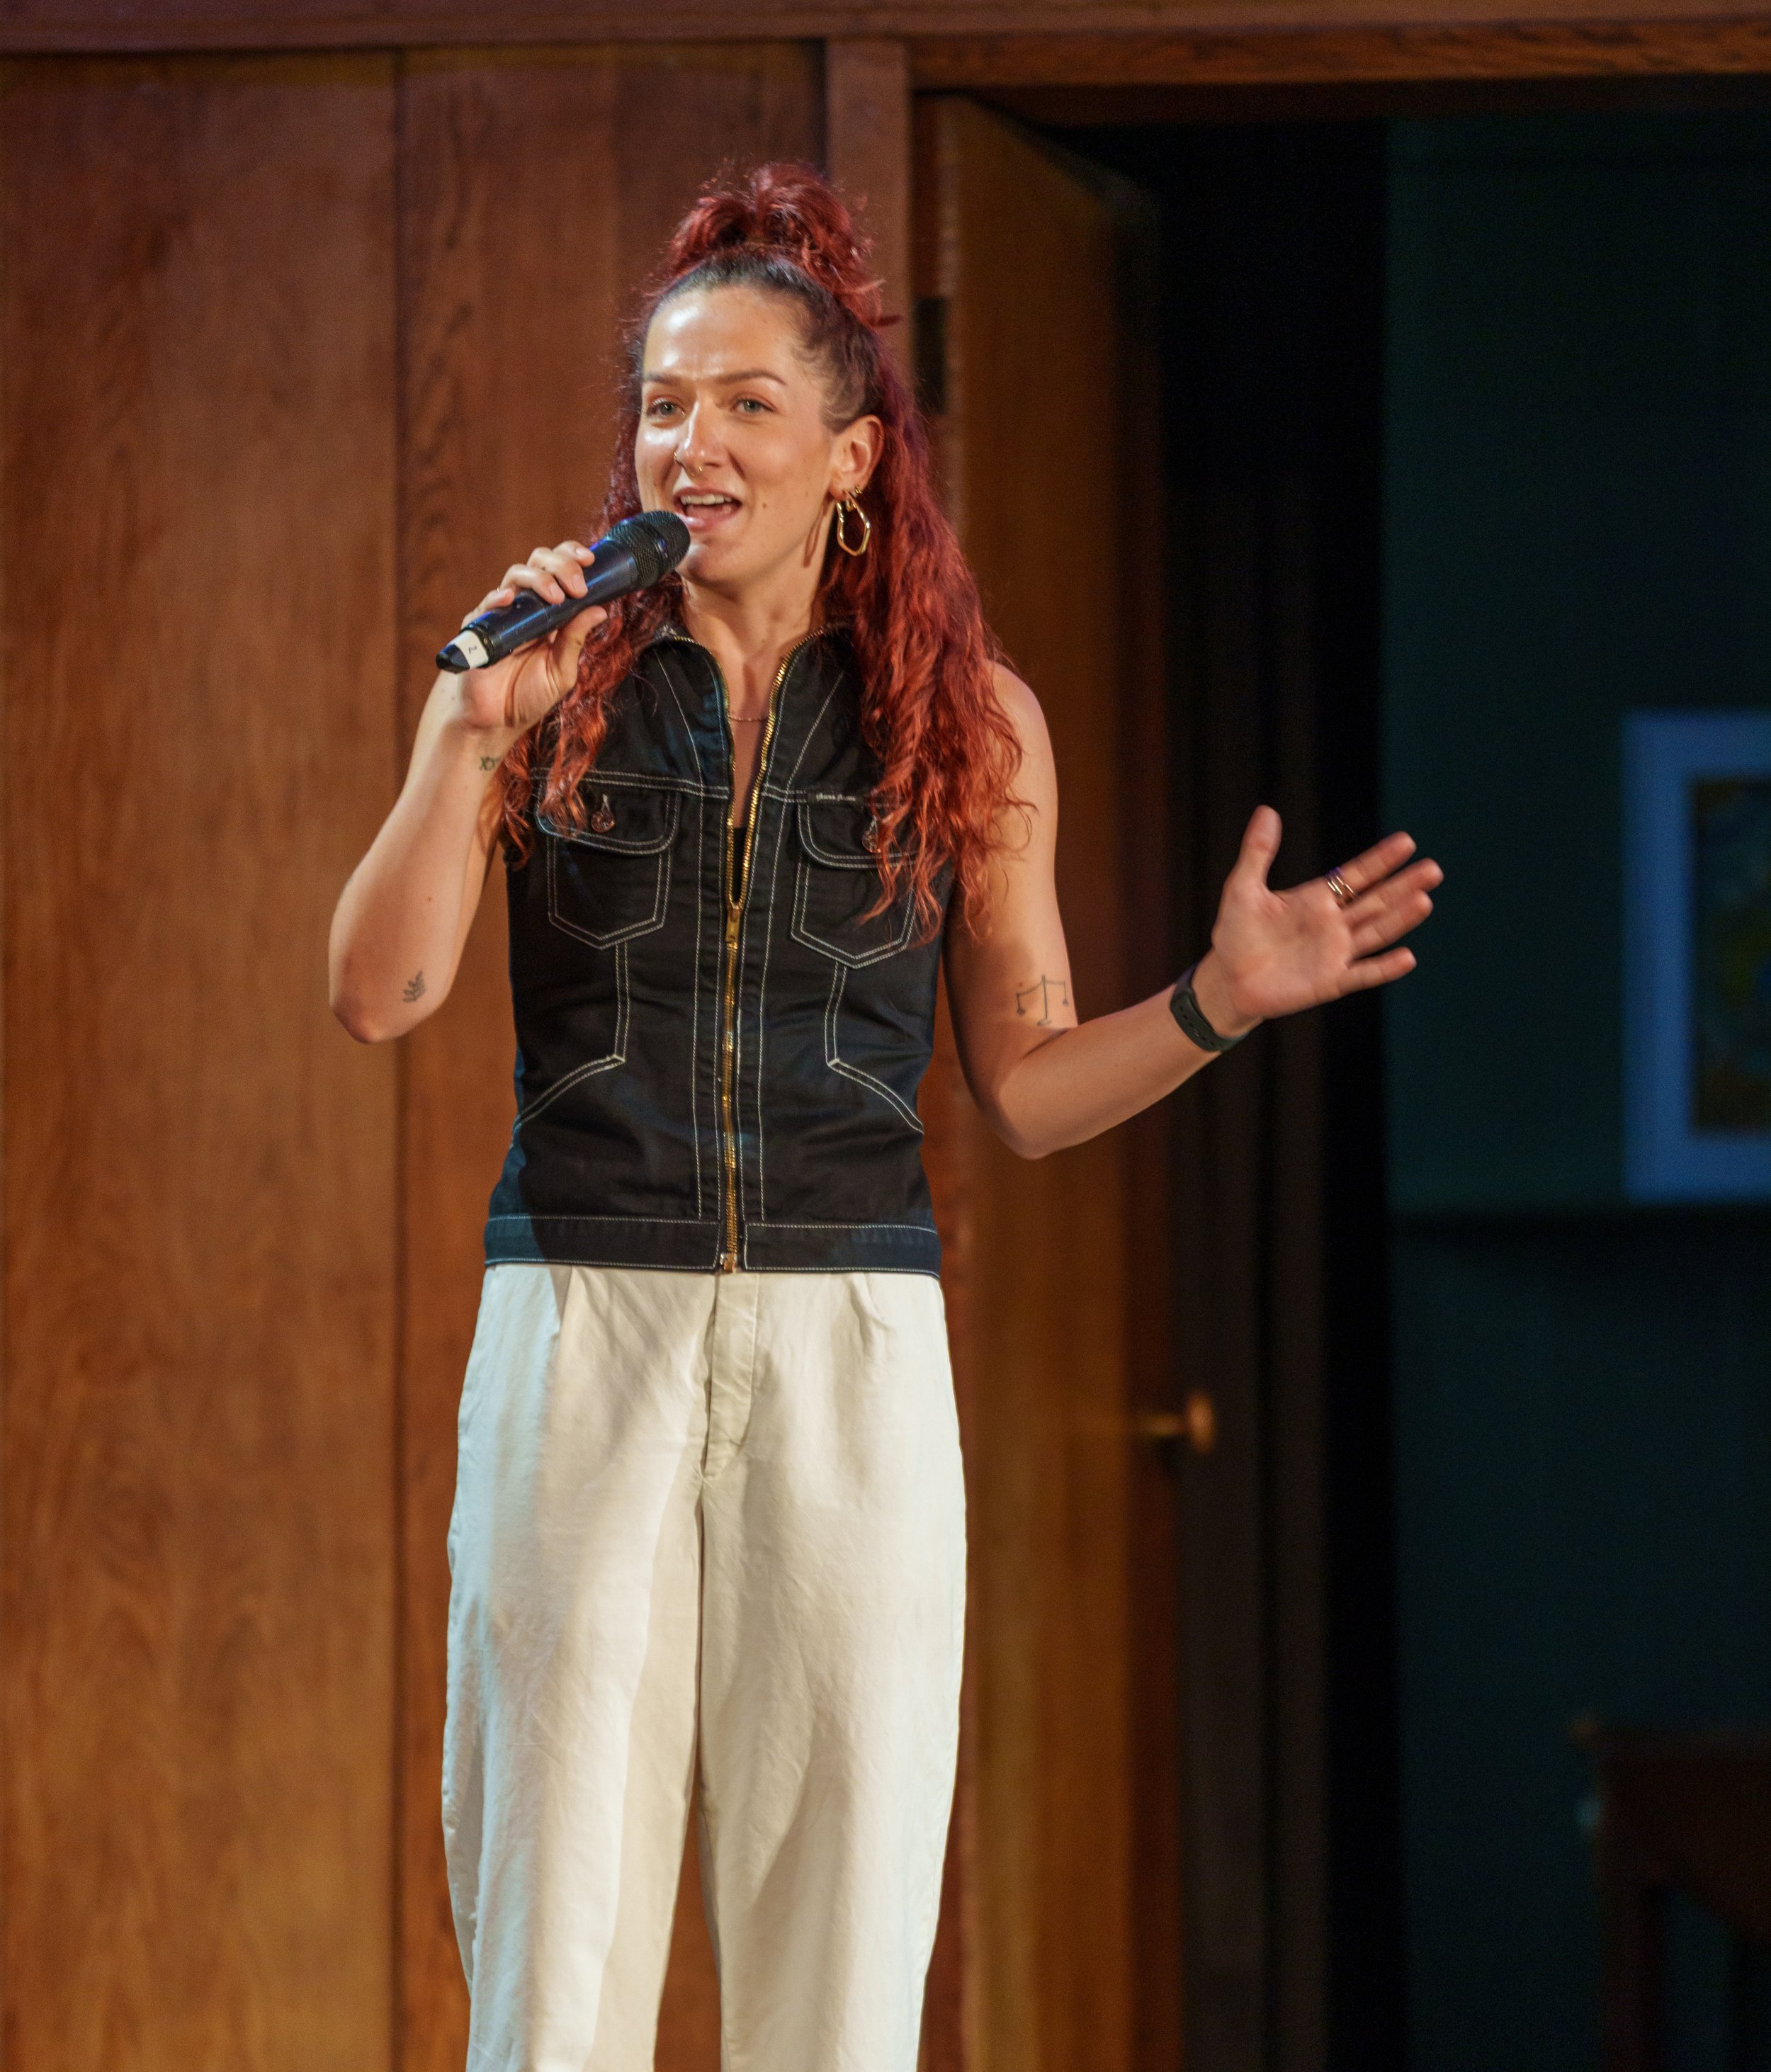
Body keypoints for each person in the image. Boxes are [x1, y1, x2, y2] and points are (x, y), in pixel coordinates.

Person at [329, 163, 1439, 2072]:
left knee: (842, 1934)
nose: (695, 442)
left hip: (849, 1335)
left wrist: (1210, 1004)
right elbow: (379, 993)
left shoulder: (970, 720)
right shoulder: (555, 687)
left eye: (747, 403)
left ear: (850, 454)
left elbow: (1023, 1086)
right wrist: (456, 742)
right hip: (582, 1317)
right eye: (665, 405)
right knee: (551, 1930)